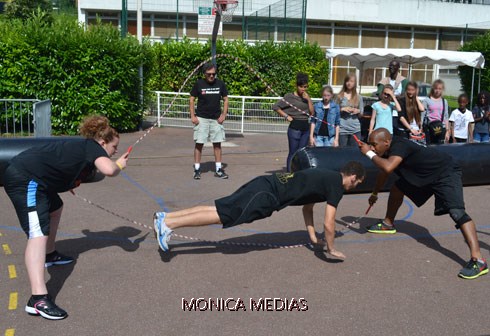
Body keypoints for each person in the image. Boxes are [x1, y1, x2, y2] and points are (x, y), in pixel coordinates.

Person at [3, 115, 130, 320]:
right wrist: (119, 164)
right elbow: (108, 170)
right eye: (114, 147)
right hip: (26, 179)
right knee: (37, 233)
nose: (115, 151)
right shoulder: (93, 147)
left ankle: (50, 255)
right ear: (103, 142)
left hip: (38, 180)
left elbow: (68, 166)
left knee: (56, 208)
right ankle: (38, 299)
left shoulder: (85, 150)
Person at [154, 161, 366, 259]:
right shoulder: (336, 186)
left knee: (219, 207)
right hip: (266, 196)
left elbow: (307, 208)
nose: (354, 187)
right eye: (356, 184)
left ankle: (167, 217)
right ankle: (168, 225)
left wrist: (313, 238)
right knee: (223, 214)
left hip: (265, 184)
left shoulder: (326, 175)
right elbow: (329, 224)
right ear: (353, 177)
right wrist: (331, 248)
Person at [357, 128, 488, 279]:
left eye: (374, 144)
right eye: (369, 144)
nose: (372, 147)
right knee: (397, 188)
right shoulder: (386, 150)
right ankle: (388, 223)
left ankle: (478, 260)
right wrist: (374, 193)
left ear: (387, 142)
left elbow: (388, 167)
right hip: (424, 175)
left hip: (445, 172)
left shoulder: (400, 145)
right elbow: (384, 172)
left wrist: (368, 152)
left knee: (456, 212)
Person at [190, 62, 229, 180]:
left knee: (217, 144)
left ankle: (218, 169)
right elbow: (191, 99)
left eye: (213, 74)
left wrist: (224, 115)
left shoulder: (220, 84)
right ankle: (197, 169)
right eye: (209, 74)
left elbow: (226, 99)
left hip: (216, 119)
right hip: (201, 118)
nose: (211, 76)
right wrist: (193, 116)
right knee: (199, 144)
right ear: (204, 74)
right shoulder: (199, 84)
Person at [273, 73, 314, 171]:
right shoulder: (289, 97)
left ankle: (299, 174)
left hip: (305, 128)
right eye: (301, 87)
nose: (303, 89)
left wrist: (308, 100)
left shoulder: (306, 97)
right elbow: (275, 107)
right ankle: (289, 173)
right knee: (293, 152)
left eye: (305, 87)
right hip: (295, 128)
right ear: (296, 86)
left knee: (302, 152)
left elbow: (312, 113)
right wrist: (286, 116)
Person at [337, 73, 364, 147]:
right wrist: (342, 109)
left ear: (355, 83)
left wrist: (357, 111)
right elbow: (334, 111)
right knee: (342, 151)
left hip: (355, 128)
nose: (349, 83)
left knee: (355, 151)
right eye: (347, 81)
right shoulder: (339, 96)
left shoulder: (359, 97)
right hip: (342, 128)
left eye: (352, 81)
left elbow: (361, 113)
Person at [423, 79, 450, 145]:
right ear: (433, 89)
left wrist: (447, 131)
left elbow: (446, 117)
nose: (437, 91)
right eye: (436, 88)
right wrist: (421, 128)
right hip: (429, 128)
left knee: (439, 149)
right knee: (429, 148)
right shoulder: (427, 100)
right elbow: (422, 115)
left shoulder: (444, 101)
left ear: (442, 89)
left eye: (439, 89)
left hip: (441, 128)